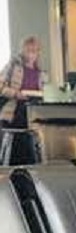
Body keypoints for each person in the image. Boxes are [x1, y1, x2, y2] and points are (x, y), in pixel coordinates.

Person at [0, 35, 45, 165]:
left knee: (31, 148)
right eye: (29, 51)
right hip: (15, 111)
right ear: (24, 51)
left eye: (35, 51)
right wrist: (15, 94)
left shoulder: (40, 72)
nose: (31, 54)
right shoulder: (13, 66)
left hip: (33, 111)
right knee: (16, 148)